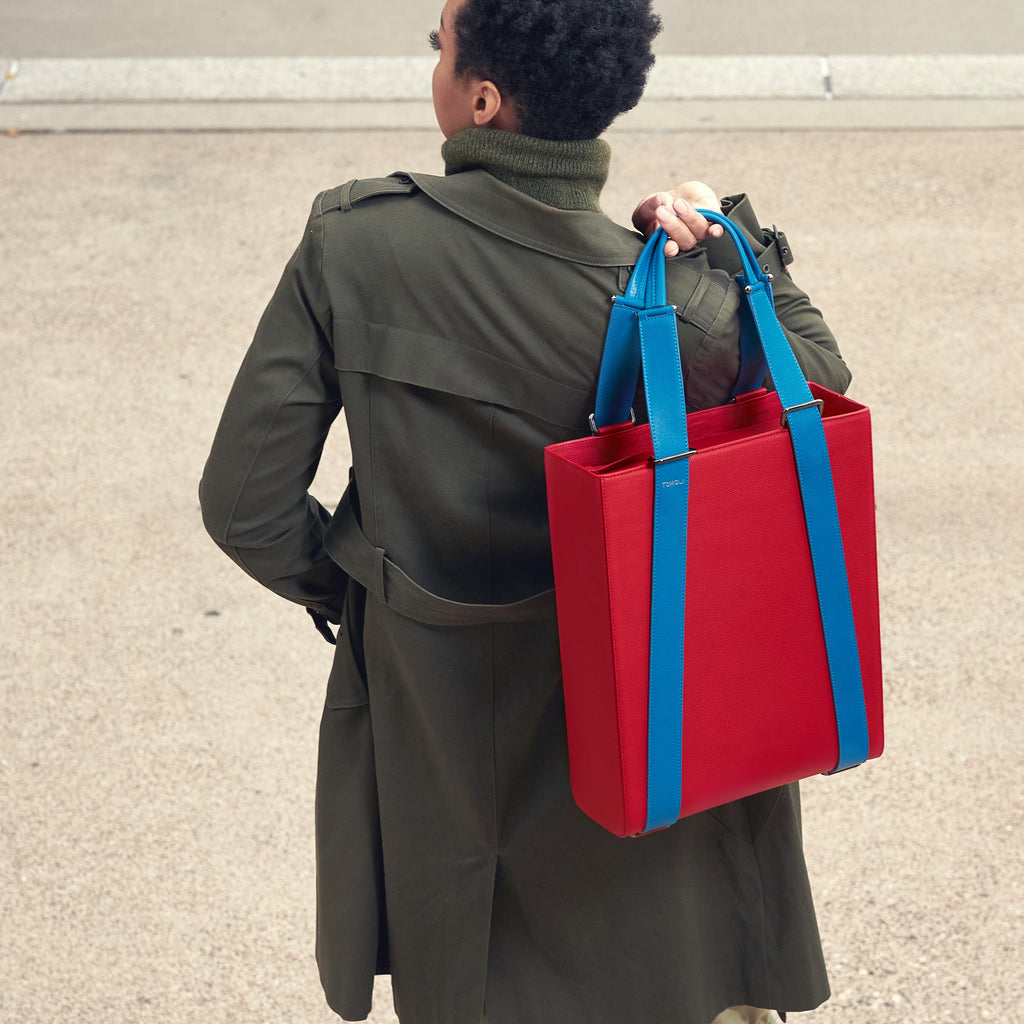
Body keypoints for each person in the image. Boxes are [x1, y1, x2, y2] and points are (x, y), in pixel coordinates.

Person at [198, 1, 851, 1022]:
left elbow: (245, 504)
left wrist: (366, 590)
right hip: (655, 741)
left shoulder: (354, 244)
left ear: (483, 100)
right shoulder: (681, 307)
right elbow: (817, 385)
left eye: (439, 49)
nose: (435, 68)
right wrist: (730, 245)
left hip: (440, 732)